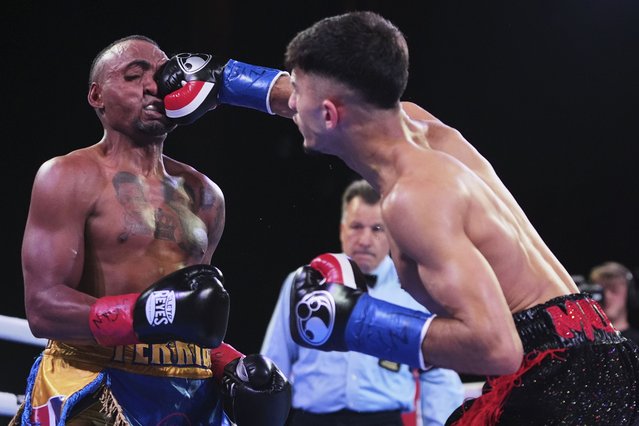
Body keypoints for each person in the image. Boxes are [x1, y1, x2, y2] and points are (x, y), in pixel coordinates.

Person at [157, 11, 639, 425]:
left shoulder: (413, 200)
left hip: (553, 376)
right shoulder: (423, 130)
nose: (291, 101)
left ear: (327, 114)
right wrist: (227, 78)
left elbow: (498, 348)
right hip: (590, 351)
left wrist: (356, 323)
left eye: (298, 90)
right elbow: (334, 93)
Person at [12, 35, 293, 426]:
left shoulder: (205, 195)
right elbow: (42, 308)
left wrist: (231, 364)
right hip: (99, 382)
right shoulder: (67, 176)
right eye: (133, 76)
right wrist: (142, 314)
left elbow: (190, 316)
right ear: (97, 96)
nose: (153, 86)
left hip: (188, 394)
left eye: (160, 76)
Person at [261, 179, 464, 426]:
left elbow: (439, 374)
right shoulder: (304, 281)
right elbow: (274, 361)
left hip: (384, 419)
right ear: (342, 229)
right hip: (311, 419)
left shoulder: (415, 287)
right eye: (357, 227)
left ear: (391, 233)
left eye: (377, 228)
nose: (365, 240)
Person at [589, 261, 639, 345]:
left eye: (614, 290)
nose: (607, 296)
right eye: (601, 291)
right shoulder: (583, 342)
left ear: (629, 295)